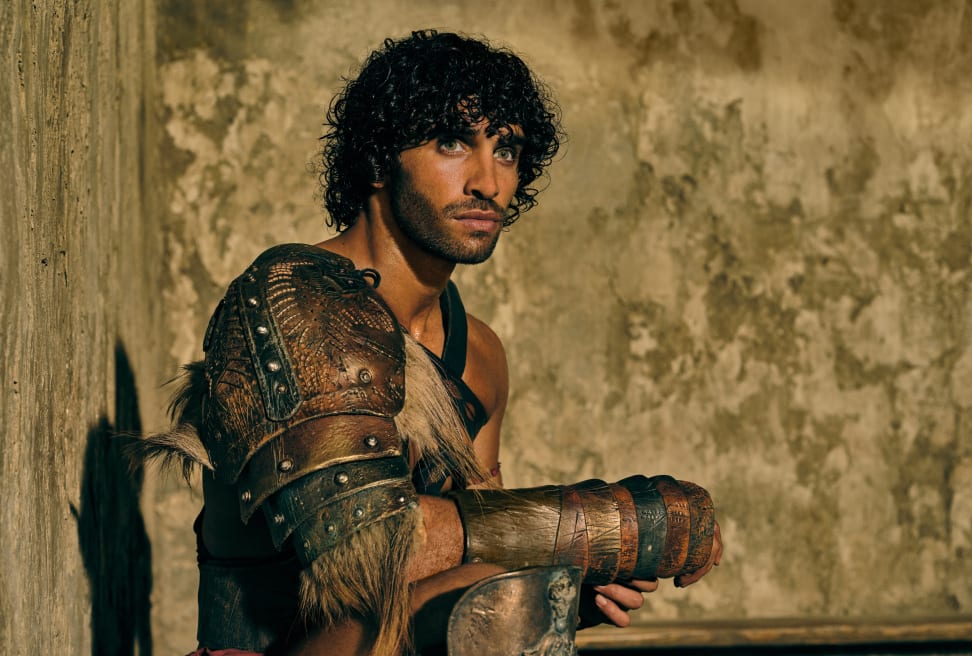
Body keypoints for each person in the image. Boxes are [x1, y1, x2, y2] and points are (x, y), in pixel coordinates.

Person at [144, 30, 722, 656]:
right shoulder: (294, 298)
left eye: (506, 150)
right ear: (377, 160)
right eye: (452, 143)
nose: (487, 182)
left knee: (510, 600)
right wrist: (617, 524)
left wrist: (558, 590)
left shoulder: (480, 354)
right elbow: (368, 550)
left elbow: (482, 557)